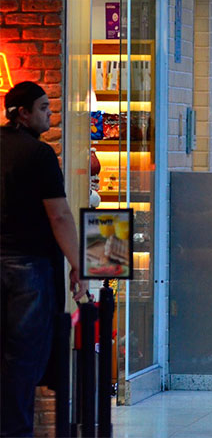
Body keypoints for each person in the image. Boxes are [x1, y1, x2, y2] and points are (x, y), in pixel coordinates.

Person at [1, 81, 86, 437]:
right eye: (43, 108)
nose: (49, 114)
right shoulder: (40, 155)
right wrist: (78, 263)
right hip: (28, 267)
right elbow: (60, 216)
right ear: (22, 112)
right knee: (22, 359)